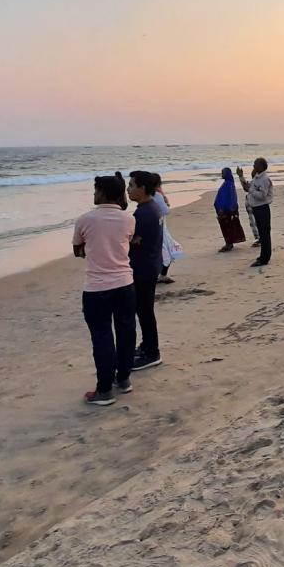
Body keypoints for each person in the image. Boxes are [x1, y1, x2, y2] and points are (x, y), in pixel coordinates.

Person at [72, 174, 136, 405]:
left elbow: (77, 250)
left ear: (102, 192)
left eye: (95, 189)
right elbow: (126, 243)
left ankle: (105, 389)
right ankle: (124, 379)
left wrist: (93, 251)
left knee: (102, 336)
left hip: (97, 286)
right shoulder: (128, 219)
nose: (94, 193)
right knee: (126, 332)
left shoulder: (85, 219)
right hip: (125, 283)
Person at [127, 171, 163, 372]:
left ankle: (151, 352)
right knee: (145, 311)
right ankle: (148, 346)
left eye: (131, 185)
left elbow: (131, 241)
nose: (128, 189)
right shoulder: (152, 207)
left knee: (145, 312)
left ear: (142, 189)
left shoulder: (143, 213)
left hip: (143, 268)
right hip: (150, 265)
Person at [238, 158, 274, 267]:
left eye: (255, 164)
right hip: (257, 208)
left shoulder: (264, 179)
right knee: (262, 234)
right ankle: (263, 256)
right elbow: (247, 188)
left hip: (262, 208)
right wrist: (241, 177)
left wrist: (251, 190)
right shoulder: (257, 178)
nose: (253, 166)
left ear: (262, 166)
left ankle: (264, 258)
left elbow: (262, 195)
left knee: (264, 234)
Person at [153, 180, 181, 284]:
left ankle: (160, 275)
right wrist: (166, 203)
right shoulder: (157, 195)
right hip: (161, 227)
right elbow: (166, 211)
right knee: (168, 251)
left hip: (157, 227)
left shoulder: (148, 196)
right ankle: (162, 275)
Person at [214, 167, 245, 252]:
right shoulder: (228, 183)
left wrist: (222, 209)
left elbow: (228, 199)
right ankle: (229, 243)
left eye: (223, 173)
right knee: (227, 227)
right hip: (226, 210)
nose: (222, 174)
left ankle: (229, 244)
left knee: (227, 227)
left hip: (226, 211)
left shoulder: (228, 184)